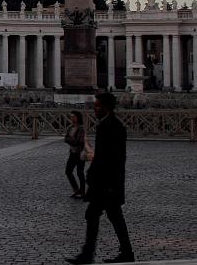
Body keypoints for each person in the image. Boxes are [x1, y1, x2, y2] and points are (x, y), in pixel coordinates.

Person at [67, 92, 135, 264]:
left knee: (95, 215)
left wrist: (95, 176)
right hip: (109, 181)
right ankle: (125, 252)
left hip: (106, 182)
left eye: (97, 106)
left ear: (106, 107)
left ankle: (88, 254)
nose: (94, 109)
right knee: (112, 216)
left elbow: (110, 158)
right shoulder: (111, 124)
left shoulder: (109, 126)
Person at [64, 110, 87, 198]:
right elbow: (66, 138)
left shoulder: (81, 128)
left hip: (80, 153)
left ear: (78, 117)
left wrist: (70, 140)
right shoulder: (70, 127)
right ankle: (76, 189)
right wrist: (71, 140)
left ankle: (83, 191)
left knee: (79, 173)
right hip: (73, 153)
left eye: (74, 117)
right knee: (68, 172)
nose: (72, 118)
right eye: (71, 117)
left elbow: (78, 142)